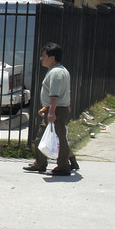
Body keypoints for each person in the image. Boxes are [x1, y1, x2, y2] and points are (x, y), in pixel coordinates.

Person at [23, 42, 79, 176]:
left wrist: (52, 111)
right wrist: (47, 108)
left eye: (44, 56)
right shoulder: (58, 71)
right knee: (41, 137)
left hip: (57, 110)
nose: (41, 58)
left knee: (59, 138)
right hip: (55, 109)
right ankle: (40, 163)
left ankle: (63, 166)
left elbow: (55, 95)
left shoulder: (56, 73)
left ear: (52, 58)